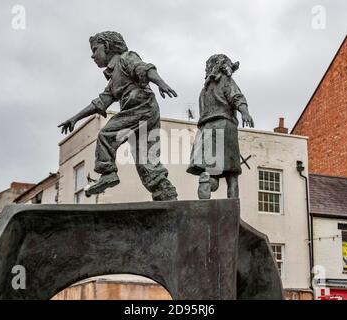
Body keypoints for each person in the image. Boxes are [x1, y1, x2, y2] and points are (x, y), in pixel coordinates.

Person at [59, 31, 178, 201]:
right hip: (145, 112)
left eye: (95, 49)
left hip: (140, 107)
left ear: (107, 47)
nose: (93, 56)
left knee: (106, 134)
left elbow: (144, 68)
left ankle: (108, 173)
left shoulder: (126, 58)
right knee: (145, 159)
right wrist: (75, 118)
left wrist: (161, 83)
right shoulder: (113, 79)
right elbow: (100, 102)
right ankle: (165, 193)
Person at [187, 54, 254, 198]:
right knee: (232, 174)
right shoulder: (226, 81)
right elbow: (237, 97)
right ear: (224, 67)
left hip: (206, 130)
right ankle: (233, 208)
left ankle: (207, 182)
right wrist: (245, 113)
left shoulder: (204, 91)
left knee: (212, 171)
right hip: (225, 127)